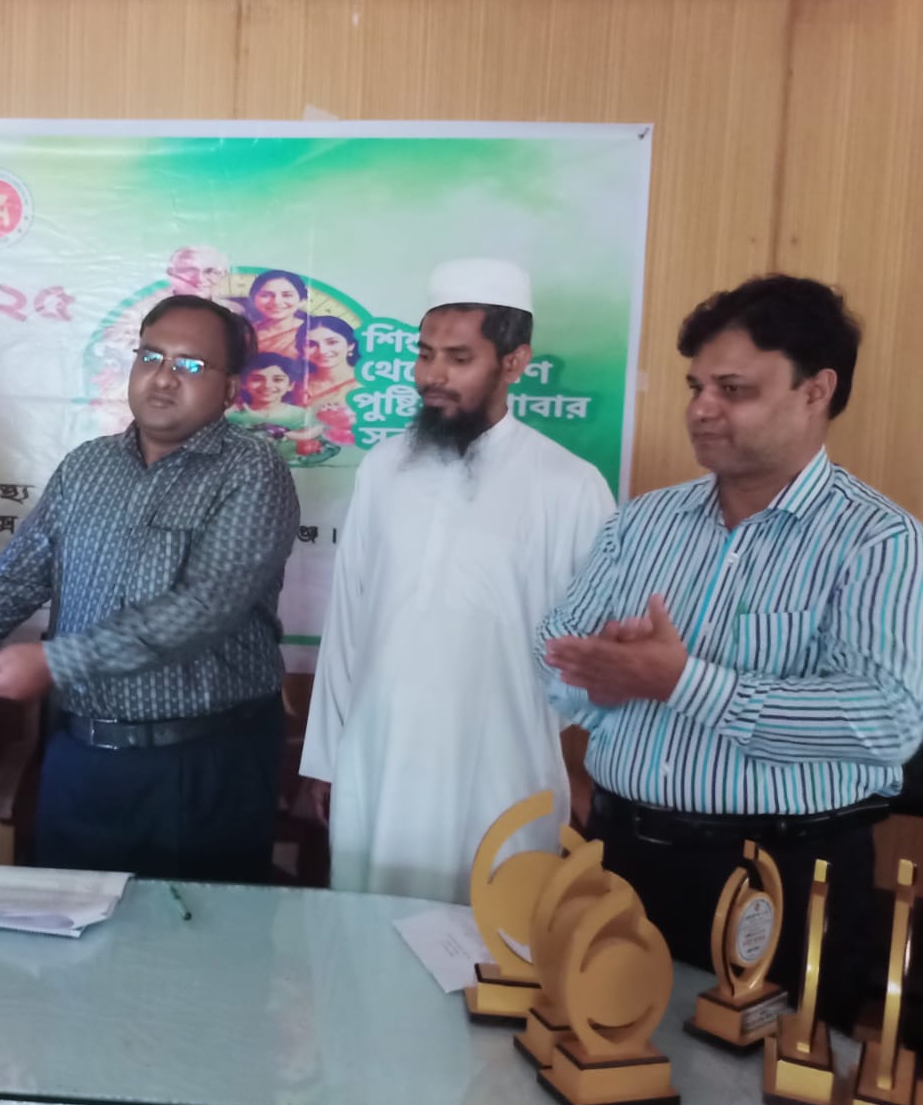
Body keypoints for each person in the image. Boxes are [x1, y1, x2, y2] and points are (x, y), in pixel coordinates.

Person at [538, 274, 923, 1030]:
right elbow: (556, 651)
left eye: (733, 389)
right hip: (623, 858)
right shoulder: (644, 522)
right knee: (605, 1060)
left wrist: (682, 682)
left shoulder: (878, 540)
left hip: (780, 878)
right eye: (696, 386)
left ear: (816, 391)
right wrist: (600, 674)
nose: (701, 408)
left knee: (751, 1090)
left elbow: (885, 722)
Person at [0, 295, 300, 882]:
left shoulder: (252, 470)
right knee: (70, 923)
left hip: (203, 759)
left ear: (228, 389)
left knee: (200, 932)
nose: (164, 378)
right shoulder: (86, 467)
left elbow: (203, 608)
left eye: (191, 365)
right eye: (150, 356)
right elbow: (20, 576)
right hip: (82, 759)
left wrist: (56, 661)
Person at [300, 259, 615, 901]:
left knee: (490, 937)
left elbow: (596, 652)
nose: (432, 376)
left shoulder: (571, 486)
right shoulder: (384, 468)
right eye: (425, 355)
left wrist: (565, 760)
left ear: (514, 363)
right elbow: (349, 621)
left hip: (502, 768)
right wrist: (327, 759)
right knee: (364, 938)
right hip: (377, 761)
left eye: (458, 358)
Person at [247, 269, 311, 358]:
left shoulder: (312, 333)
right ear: (253, 298)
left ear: (302, 300)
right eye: (266, 295)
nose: (276, 302)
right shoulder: (245, 333)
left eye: (287, 295)